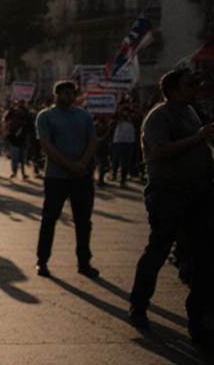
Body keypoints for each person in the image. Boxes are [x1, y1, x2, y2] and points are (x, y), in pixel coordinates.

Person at [128, 68, 214, 340]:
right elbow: (161, 151)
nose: (195, 89)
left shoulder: (190, 113)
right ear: (173, 91)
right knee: (158, 249)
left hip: (199, 195)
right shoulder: (159, 116)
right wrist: (198, 137)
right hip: (168, 195)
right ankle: (139, 305)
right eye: (189, 85)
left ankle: (198, 319)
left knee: (204, 256)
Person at [35, 80, 98, 279]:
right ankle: (42, 260)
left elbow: (92, 141)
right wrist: (70, 165)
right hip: (57, 176)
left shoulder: (83, 115)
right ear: (57, 95)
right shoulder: (46, 117)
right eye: (65, 94)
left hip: (81, 176)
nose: (69, 97)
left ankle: (84, 261)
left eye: (72, 94)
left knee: (83, 221)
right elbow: (46, 146)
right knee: (49, 219)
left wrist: (82, 164)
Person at [111, 107, 138, 188]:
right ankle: (114, 174)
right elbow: (112, 122)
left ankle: (123, 179)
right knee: (116, 159)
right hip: (118, 141)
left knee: (125, 162)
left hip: (129, 142)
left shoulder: (133, 119)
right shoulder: (117, 120)